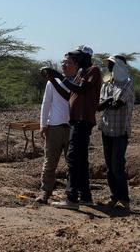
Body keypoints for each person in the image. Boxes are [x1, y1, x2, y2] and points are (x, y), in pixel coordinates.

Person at [43, 45, 102, 210]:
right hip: (77, 120)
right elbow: (70, 95)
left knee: (73, 158)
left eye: (77, 57)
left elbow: (82, 90)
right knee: (81, 160)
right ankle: (85, 196)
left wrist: (58, 76)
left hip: (83, 120)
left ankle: (71, 198)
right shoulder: (81, 73)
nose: (74, 60)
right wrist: (53, 80)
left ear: (85, 57)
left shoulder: (93, 70)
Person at [97, 54, 134, 210]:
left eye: (112, 65)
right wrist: (108, 102)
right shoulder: (107, 84)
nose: (109, 68)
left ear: (119, 67)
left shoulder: (128, 83)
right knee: (110, 167)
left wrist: (107, 102)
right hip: (106, 129)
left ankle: (124, 199)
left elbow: (117, 104)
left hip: (120, 130)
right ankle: (114, 196)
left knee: (117, 166)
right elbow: (99, 105)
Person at [35, 60, 72, 204]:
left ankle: (71, 193)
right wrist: (43, 124)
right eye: (63, 63)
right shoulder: (52, 82)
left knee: (72, 163)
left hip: (71, 127)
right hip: (54, 127)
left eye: (68, 63)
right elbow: (46, 103)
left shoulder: (77, 81)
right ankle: (45, 190)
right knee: (50, 161)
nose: (64, 65)